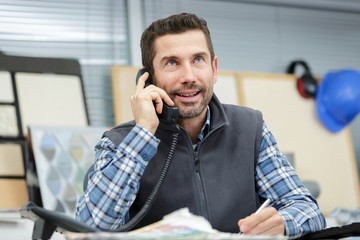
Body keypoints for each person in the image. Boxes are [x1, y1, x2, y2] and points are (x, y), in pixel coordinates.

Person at [76, 13, 326, 238]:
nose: (189, 76)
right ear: (147, 77)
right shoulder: (119, 143)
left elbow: (308, 210)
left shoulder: (250, 128)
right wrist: (143, 133)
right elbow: (90, 228)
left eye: (198, 59)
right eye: (172, 63)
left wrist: (282, 221)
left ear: (213, 69)